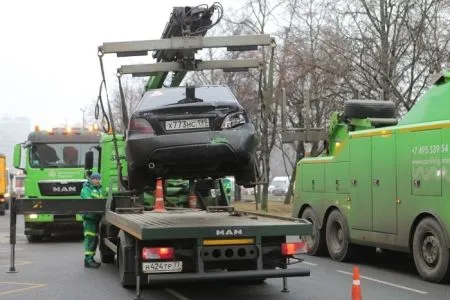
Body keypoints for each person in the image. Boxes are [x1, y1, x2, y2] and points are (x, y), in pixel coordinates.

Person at [80, 173, 104, 268]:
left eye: (99, 179)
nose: (97, 181)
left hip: (96, 218)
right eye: (95, 179)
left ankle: (91, 259)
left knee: (94, 239)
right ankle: (88, 260)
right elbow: (89, 201)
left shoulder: (99, 189)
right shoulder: (86, 189)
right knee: (90, 239)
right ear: (91, 180)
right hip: (90, 219)